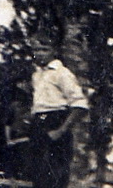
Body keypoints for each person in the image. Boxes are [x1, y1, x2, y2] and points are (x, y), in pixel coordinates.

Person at [26, 43, 87, 188]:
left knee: (56, 173)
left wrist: (61, 130)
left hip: (56, 122)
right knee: (37, 173)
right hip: (38, 123)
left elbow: (80, 105)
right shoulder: (37, 75)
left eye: (44, 49)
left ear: (54, 51)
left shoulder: (62, 73)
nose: (40, 53)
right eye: (37, 50)